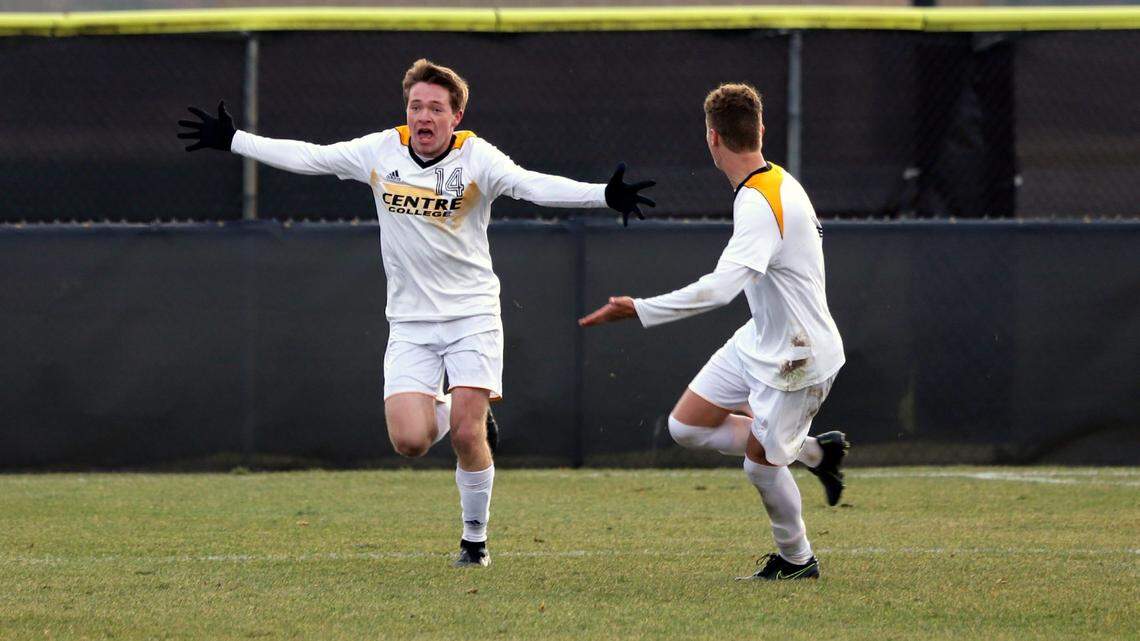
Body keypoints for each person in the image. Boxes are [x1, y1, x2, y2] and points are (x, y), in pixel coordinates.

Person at [178, 59, 655, 568]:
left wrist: (603, 195)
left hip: (472, 315)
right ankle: (454, 409)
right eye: (416, 106)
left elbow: (531, 184)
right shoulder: (381, 151)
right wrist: (236, 141)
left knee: (469, 436)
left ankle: (474, 542)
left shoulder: (477, 158)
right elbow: (311, 156)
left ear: (457, 115)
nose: (424, 116)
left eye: (436, 108)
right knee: (409, 441)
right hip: (410, 322)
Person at [578, 82, 848, 580]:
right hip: (763, 338)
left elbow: (720, 289)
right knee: (686, 427)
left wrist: (641, 309)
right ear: (761, 129)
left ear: (712, 138)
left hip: (799, 356)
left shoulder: (760, 202)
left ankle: (797, 560)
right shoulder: (774, 181)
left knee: (760, 466)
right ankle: (814, 452)